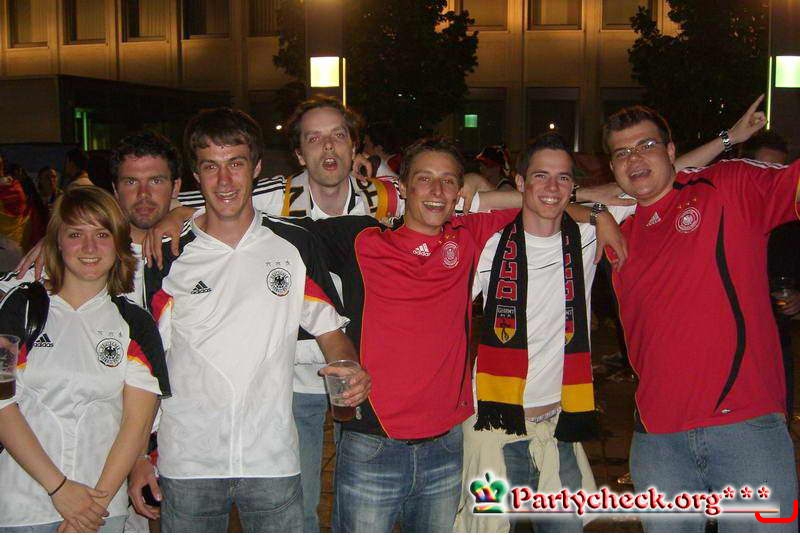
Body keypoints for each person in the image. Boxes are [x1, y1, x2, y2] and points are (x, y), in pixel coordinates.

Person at [291, 137, 627, 532]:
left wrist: (598, 214)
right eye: (424, 179)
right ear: (403, 188)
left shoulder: (469, 235)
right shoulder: (362, 238)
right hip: (373, 442)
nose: (436, 191)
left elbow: (541, 202)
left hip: (446, 445)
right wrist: (333, 337)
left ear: (459, 193)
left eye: (448, 181)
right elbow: (278, 242)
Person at [133, 107, 370, 533]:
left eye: (236, 164)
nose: (225, 181)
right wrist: (139, 456)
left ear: (257, 168)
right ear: (196, 175)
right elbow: (148, 369)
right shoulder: (168, 255)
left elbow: (330, 331)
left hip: (271, 457)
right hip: (187, 461)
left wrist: (349, 366)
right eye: (211, 166)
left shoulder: (294, 243)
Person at [604, 104, 799, 531]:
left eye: (647, 145)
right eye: (621, 153)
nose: (634, 158)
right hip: (657, 439)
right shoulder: (617, 226)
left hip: (745, 428)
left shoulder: (725, 186)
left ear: (672, 151)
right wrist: (600, 211)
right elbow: (540, 197)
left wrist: (728, 142)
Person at [455, 133, 635, 532]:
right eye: (540, 176)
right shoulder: (489, 245)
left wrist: (729, 139)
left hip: (559, 425)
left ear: (573, 185)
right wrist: (476, 185)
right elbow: (445, 205)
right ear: (520, 182)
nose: (552, 187)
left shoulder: (586, 236)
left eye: (563, 178)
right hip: (494, 425)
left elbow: (650, 176)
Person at [0, 186, 170, 532]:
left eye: (102, 234)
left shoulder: (136, 325)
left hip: (101, 511)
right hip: (22, 508)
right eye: (76, 234)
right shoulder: (21, 307)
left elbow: (135, 426)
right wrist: (60, 489)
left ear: (119, 243)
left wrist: (93, 510)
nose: (90, 248)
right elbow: (2, 403)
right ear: (56, 242)